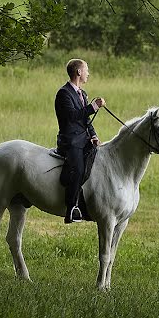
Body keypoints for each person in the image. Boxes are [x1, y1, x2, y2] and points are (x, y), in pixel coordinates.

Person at [55, 58, 105, 224]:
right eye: (86, 70)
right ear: (78, 72)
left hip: (84, 139)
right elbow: (71, 117)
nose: (88, 73)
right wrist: (93, 107)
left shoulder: (82, 94)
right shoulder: (64, 93)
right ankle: (71, 209)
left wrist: (94, 135)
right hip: (70, 141)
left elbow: (85, 121)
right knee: (77, 169)